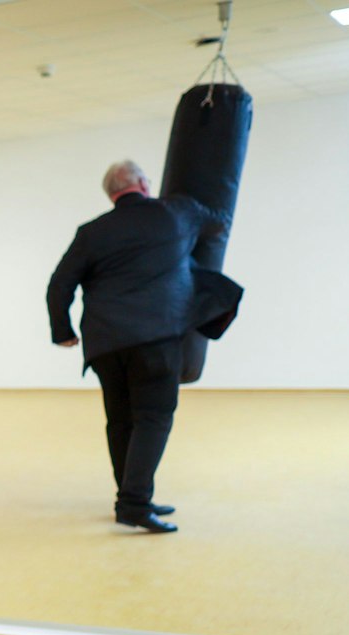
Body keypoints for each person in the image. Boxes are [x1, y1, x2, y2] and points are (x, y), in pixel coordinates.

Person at [46, 159, 241, 533]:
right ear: (143, 184)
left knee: (121, 421)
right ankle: (134, 504)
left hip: (104, 344)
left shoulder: (92, 232)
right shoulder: (176, 212)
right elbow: (218, 223)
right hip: (154, 338)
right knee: (153, 417)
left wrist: (62, 331)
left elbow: (59, 284)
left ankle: (133, 495)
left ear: (111, 193)